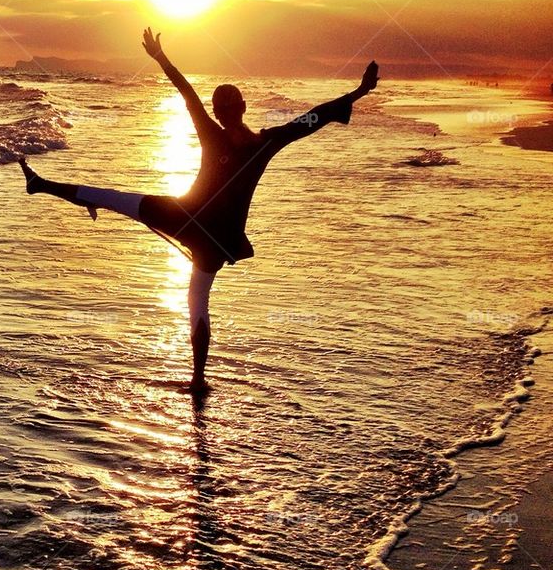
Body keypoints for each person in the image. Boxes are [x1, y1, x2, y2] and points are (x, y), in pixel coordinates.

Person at [20, 28, 379, 393]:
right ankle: (198, 380)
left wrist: (160, 58)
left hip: (185, 216)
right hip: (218, 239)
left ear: (225, 112)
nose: (223, 114)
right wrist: (359, 92)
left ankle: (43, 185)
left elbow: (188, 95)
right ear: (241, 109)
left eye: (221, 109)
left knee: (114, 198)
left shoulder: (217, 133)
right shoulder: (267, 141)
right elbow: (314, 117)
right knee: (196, 300)